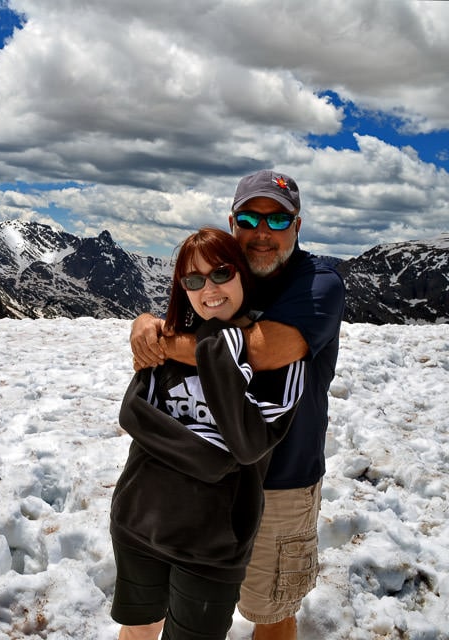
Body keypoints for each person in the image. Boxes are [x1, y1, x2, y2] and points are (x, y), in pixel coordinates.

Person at [130, 170, 346, 640]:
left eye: (277, 219)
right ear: (233, 223)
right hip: (202, 477)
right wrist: (147, 322)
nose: (262, 232)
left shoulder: (318, 284)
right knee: (175, 601)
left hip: (281, 482)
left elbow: (264, 350)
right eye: (249, 218)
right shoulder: (224, 274)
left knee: (268, 610)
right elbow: (181, 312)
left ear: (297, 225)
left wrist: (165, 343)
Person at [110, 227, 307, 640]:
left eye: (220, 273)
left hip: (213, 547)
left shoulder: (276, 360)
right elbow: (134, 415)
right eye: (194, 280)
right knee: (138, 629)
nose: (208, 289)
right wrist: (213, 457)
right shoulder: (166, 341)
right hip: (138, 523)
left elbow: (249, 445)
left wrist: (218, 349)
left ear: (242, 275)